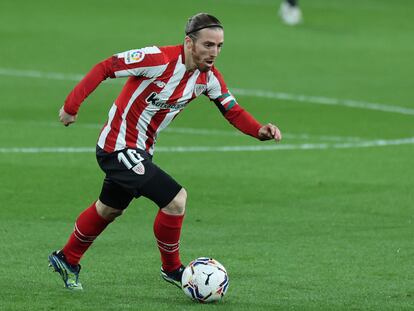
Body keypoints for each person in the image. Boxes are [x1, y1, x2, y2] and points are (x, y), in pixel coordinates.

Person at [48, 13, 282, 291]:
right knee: (175, 199)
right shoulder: (156, 59)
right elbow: (105, 67)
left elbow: (233, 110)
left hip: (141, 152)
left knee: (109, 209)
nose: (214, 53)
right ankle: (172, 269)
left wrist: (259, 131)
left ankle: (67, 258)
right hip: (117, 146)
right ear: (189, 42)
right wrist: (71, 106)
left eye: (219, 46)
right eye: (208, 45)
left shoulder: (208, 78)